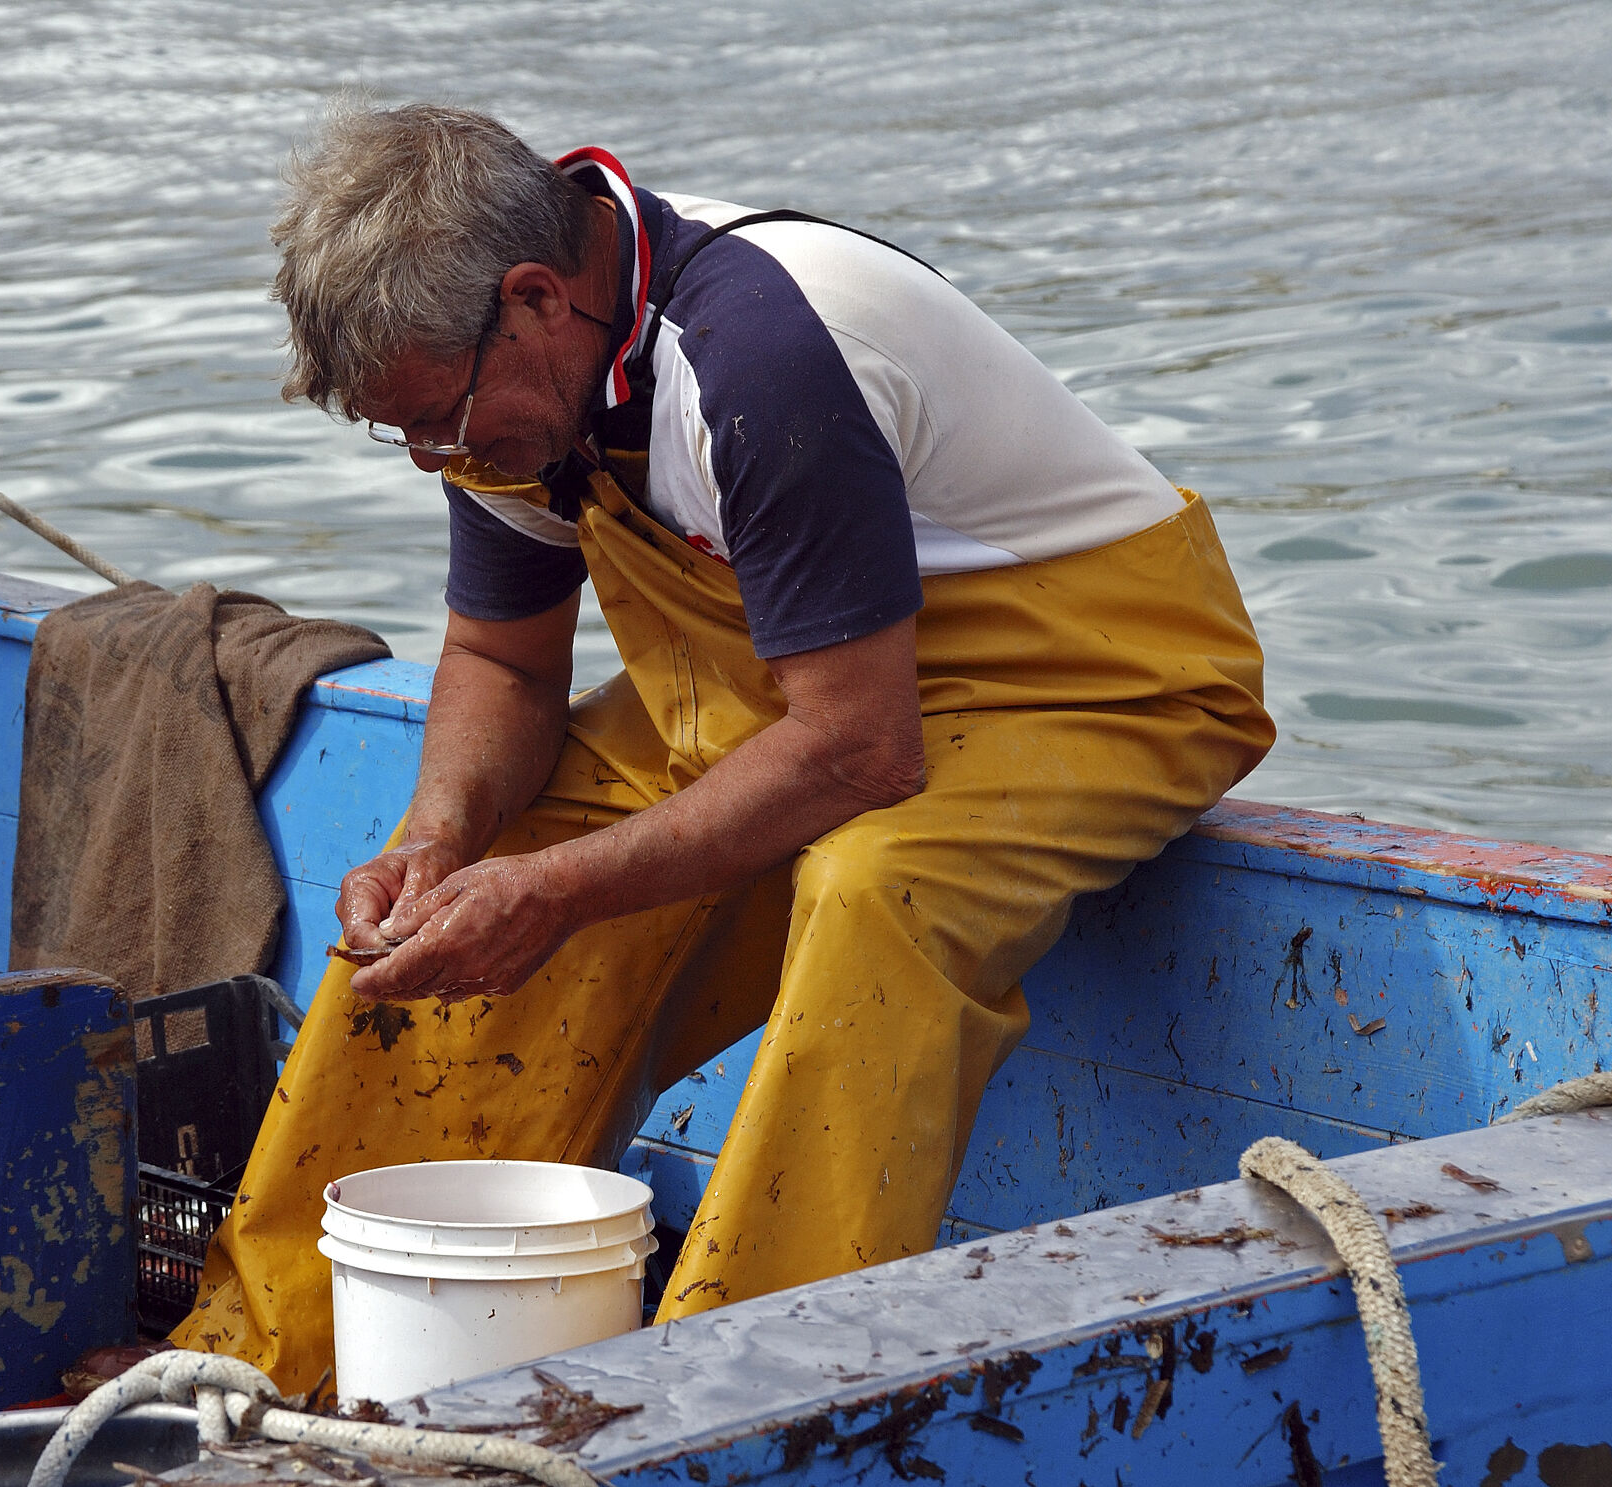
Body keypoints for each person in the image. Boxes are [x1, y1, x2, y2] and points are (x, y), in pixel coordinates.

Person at [173, 103, 1272, 1389]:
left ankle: (737, 1389)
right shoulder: (515, 374)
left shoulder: (759, 357)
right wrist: (440, 841)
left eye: (444, 423)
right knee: (450, 904)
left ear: (533, 298)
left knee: (875, 891)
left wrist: (562, 894)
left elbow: (861, 752)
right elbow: (503, 665)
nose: (435, 460)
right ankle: (270, 1355)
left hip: (1096, 679)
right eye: (397, 433)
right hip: (799, 676)